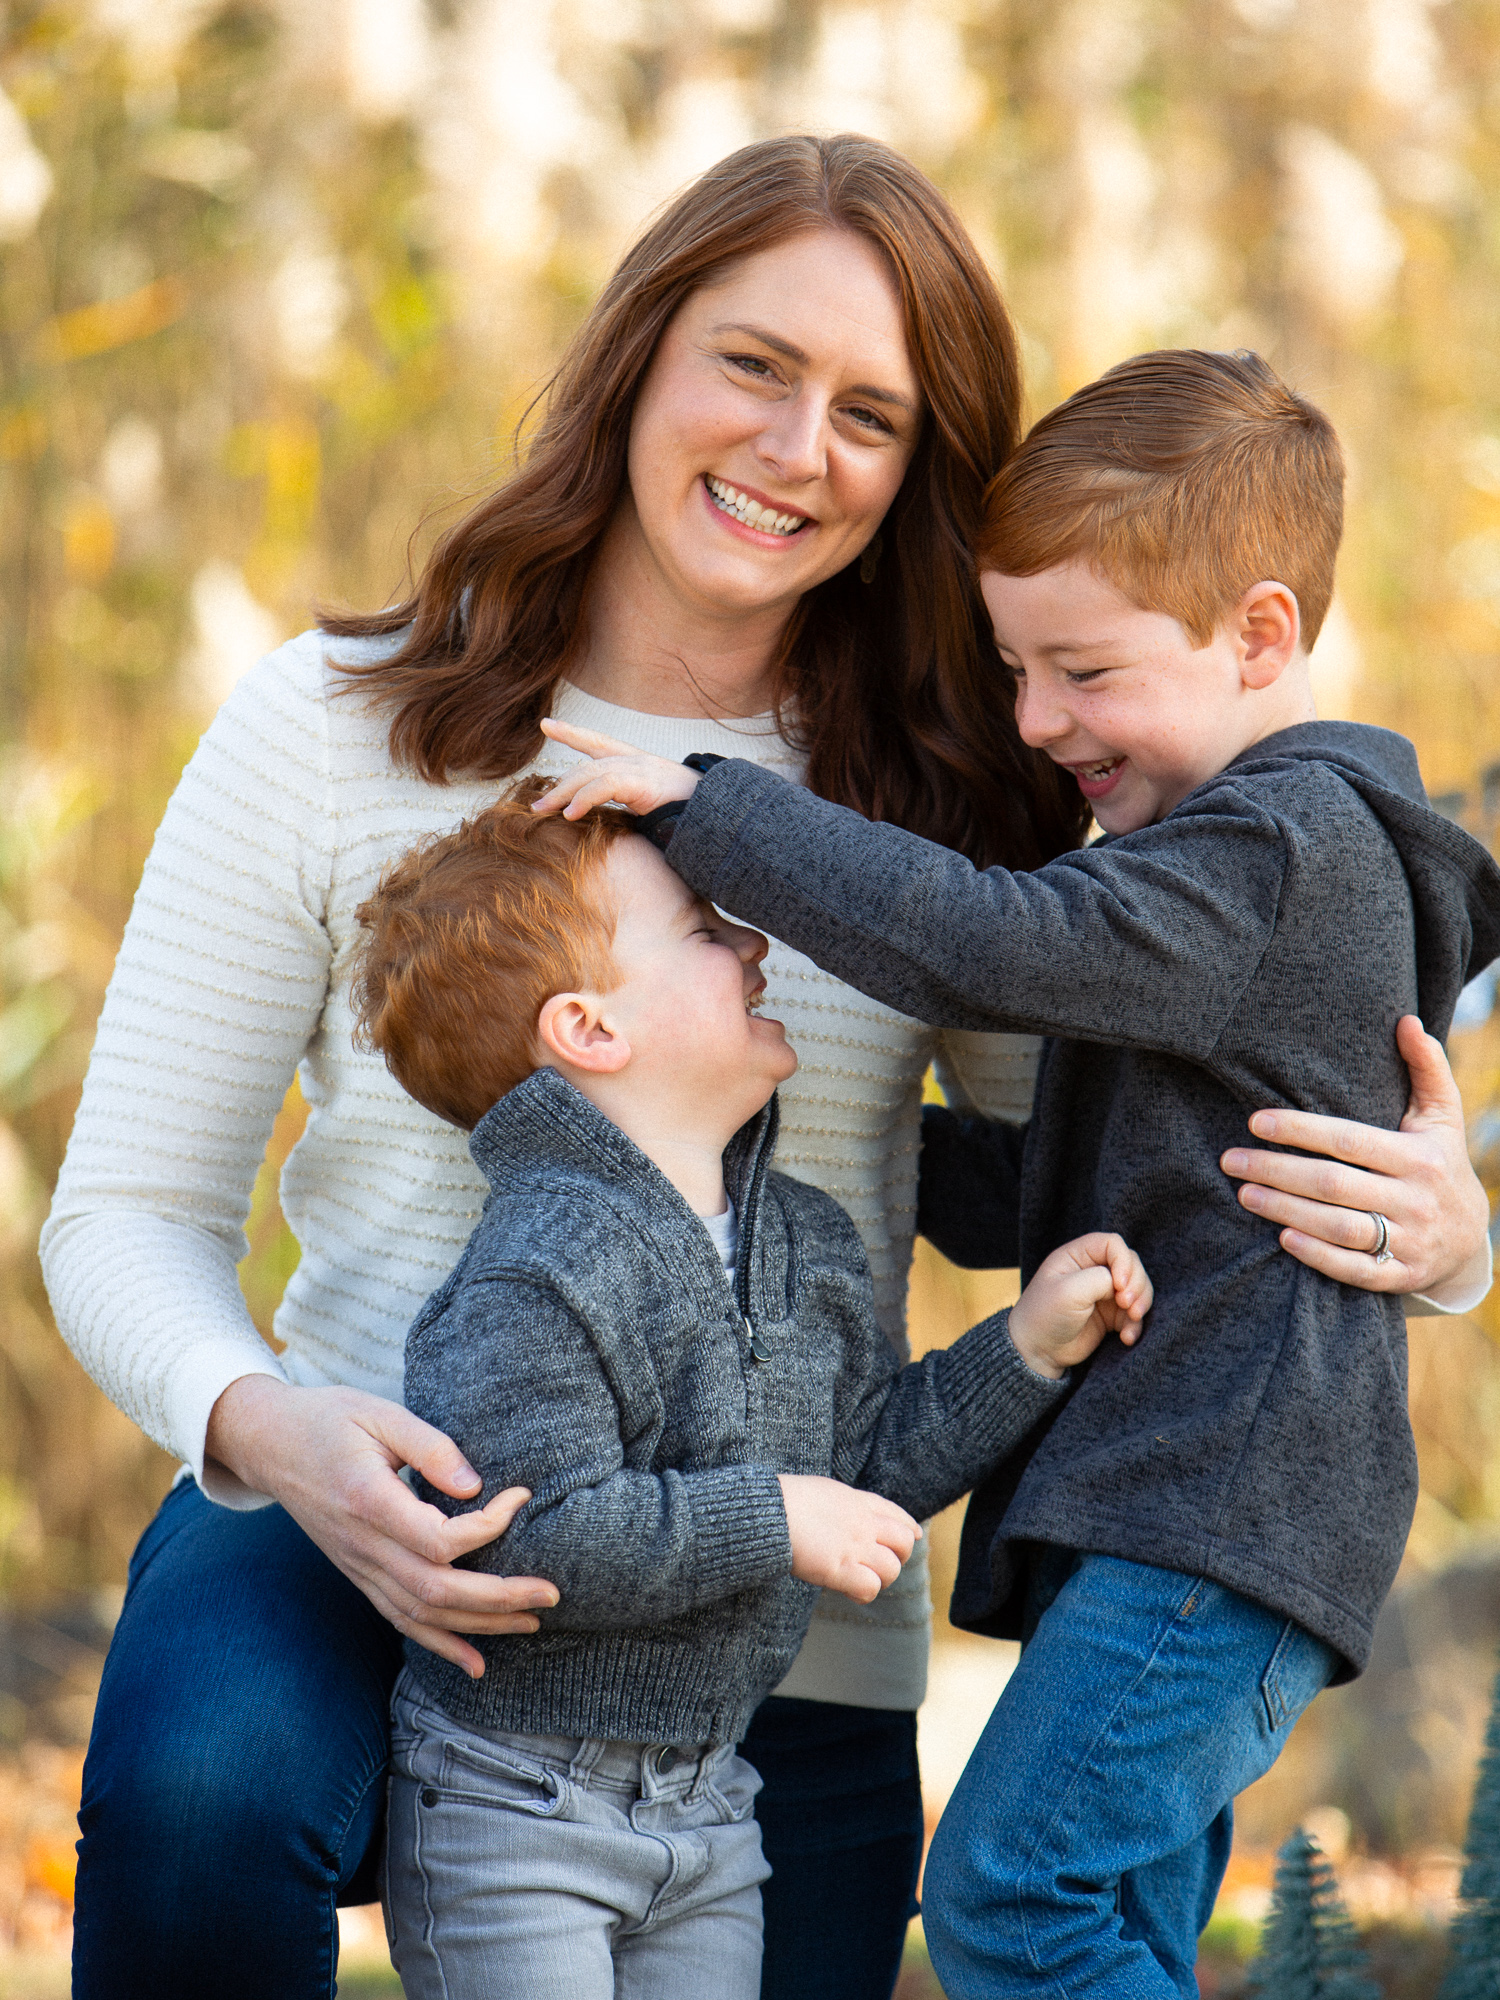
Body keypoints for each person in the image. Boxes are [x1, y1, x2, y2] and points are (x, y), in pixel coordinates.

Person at [39, 138, 1490, 2000]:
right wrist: (271, 1433)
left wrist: (1442, 1237)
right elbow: (128, 1216)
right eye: (753, 364)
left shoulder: (965, 809)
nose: (799, 446)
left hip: (770, 1591)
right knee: (206, 1779)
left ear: (920, 478)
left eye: (872, 413)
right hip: (370, 1511)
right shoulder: (336, 725)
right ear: (639, 353)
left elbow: (1116, 1174)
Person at [532, 346, 1500, 1997]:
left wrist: (712, 813)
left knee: (1010, 1900)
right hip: (1196, 1500)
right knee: (1109, 1927)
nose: (1039, 722)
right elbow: (1055, 1188)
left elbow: (992, 945)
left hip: (1218, 1502)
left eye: (1082, 671)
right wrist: (740, 1132)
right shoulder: (1228, 866)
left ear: (1261, 635)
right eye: (1013, 668)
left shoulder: (1285, 849)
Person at [353, 784, 1151, 1998]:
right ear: (589, 1027)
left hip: (712, 1794)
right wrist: (774, 1514)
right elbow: (531, 1537)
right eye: (703, 930)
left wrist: (1025, 1349)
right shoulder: (540, 1265)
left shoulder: (808, 1243)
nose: (754, 942)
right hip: (514, 1797)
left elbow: (862, 1473)